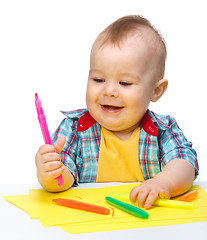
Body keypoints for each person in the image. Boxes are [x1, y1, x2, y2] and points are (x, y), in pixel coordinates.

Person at [35, 15, 199, 209]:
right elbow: (61, 181)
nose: (109, 91)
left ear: (156, 91)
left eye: (125, 83)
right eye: (98, 79)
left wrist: (164, 183)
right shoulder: (75, 128)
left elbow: (185, 162)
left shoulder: (162, 129)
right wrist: (50, 172)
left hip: (148, 224)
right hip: (92, 222)